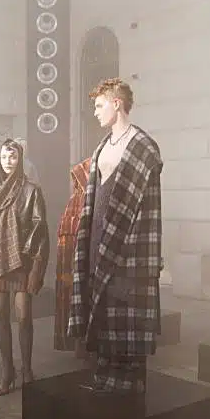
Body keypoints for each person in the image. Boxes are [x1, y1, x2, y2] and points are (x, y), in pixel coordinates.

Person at [67, 77, 163, 394]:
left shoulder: (143, 147)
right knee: (103, 305)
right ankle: (104, 374)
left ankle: (129, 381)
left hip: (130, 242)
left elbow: (147, 211)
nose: (95, 112)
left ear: (117, 103)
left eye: (99, 105)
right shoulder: (102, 147)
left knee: (125, 308)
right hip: (97, 234)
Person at [0, 139, 49, 395]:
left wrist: (33, 263)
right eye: (4, 157)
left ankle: (26, 369)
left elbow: (39, 228)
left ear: (20, 160)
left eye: (13, 156)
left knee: (24, 315)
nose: (8, 161)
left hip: (21, 261)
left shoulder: (31, 191)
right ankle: (8, 371)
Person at [54, 156, 91, 354]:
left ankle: (82, 344)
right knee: (72, 297)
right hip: (70, 255)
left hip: (84, 254)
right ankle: (75, 343)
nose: (75, 184)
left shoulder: (88, 201)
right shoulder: (74, 202)